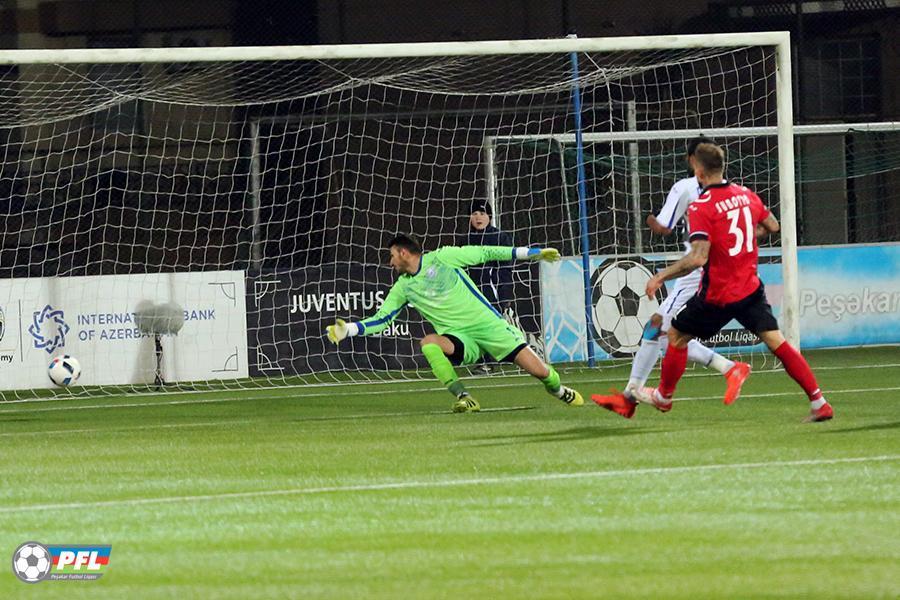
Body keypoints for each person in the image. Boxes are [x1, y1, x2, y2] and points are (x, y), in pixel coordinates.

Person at [594, 143, 833, 423]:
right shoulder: (746, 194)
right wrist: (739, 238)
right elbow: (772, 225)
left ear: (698, 170)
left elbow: (697, 258)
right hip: (750, 289)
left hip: (718, 294)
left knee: (675, 335)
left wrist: (660, 275)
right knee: (777, 342)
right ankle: (819, 402)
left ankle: (664, 396)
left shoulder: (703, 206)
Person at [326, 234, 584, 412]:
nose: (390, 262)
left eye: (392, 255)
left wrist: (530, 253)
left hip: (489, 327)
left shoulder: (443, 258)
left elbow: (485, 252)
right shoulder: (403, 288)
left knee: (541, 373)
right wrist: (348, 329)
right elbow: (382, 319)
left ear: (404, 253)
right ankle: (465, 397)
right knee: (429, 343)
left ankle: (559, 390)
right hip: (460, 339)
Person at [593, 137, 749, 418]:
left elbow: (664, 227)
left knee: (659, 328)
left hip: (696, 270)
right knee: (665, 332)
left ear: (692, 160)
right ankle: (726, 369)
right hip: (726, 267)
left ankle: (634, 397)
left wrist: (649, 219)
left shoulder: (685, 187)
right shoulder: (734, 191)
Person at [458, 200, 514, 373]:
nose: (478, 217)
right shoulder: (465, 240)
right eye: (474, 214)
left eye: (482, 214)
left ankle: (494, 361)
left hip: (491, 290)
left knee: (492, 328)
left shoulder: (499, 237)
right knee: (474, 328)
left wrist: (505, 294)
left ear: (489, 216)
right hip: (470, 292)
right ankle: (484, 362)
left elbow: (506, 268)